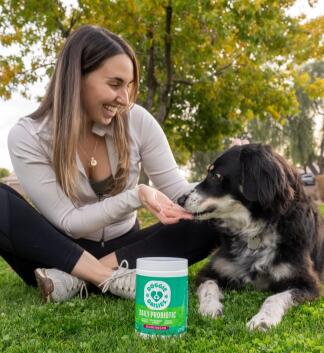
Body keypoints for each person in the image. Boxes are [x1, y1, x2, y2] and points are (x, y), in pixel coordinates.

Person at [2, 25, 218, 303]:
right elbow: (70, 223)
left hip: (124, 250)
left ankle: (70, 282)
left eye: (128, 86)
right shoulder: (28, 136)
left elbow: (177, 190)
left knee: (211, 220)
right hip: (60, 251)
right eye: (115, 84)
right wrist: (137, 196)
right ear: (76, 78)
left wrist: (225, 189)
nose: (125, 99)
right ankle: (106, 278)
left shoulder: (137, 121)